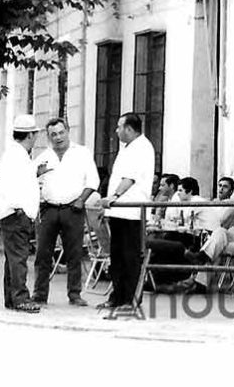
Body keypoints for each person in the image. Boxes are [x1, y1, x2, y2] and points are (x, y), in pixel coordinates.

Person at [32, 117, 99, 308]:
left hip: (73, 208)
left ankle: (75, 294)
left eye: (61, 132)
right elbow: (30, 179)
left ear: (68, 131)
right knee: (43, 253)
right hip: (49, 209)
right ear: (48, 136)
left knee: (74, 253)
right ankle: (40, 293)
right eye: (53, 134)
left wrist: (81, 200)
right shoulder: (43, 156)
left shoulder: (82, 153)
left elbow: (93, 181)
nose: (58, 137)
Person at [99, 112, 156, 315]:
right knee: (117, 257)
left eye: (119, 127)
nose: (116, 130)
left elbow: (130, 178)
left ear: (129, 129)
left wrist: (113, 196)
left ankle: (129, 298)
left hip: (131, 211)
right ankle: (117, 295)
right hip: (120, 211)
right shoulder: (128, 148)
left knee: (130, 256)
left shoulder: (141, 147)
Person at [0, 114, 43, 313]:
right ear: (30, 135)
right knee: (18, 258)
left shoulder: (14, 154)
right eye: (35, 134)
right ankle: (21, 298)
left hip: (13, 212)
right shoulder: (17, 156)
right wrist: (21, 210)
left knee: (13, 258)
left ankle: (12, 298)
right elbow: (13, 186)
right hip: (16, 214)